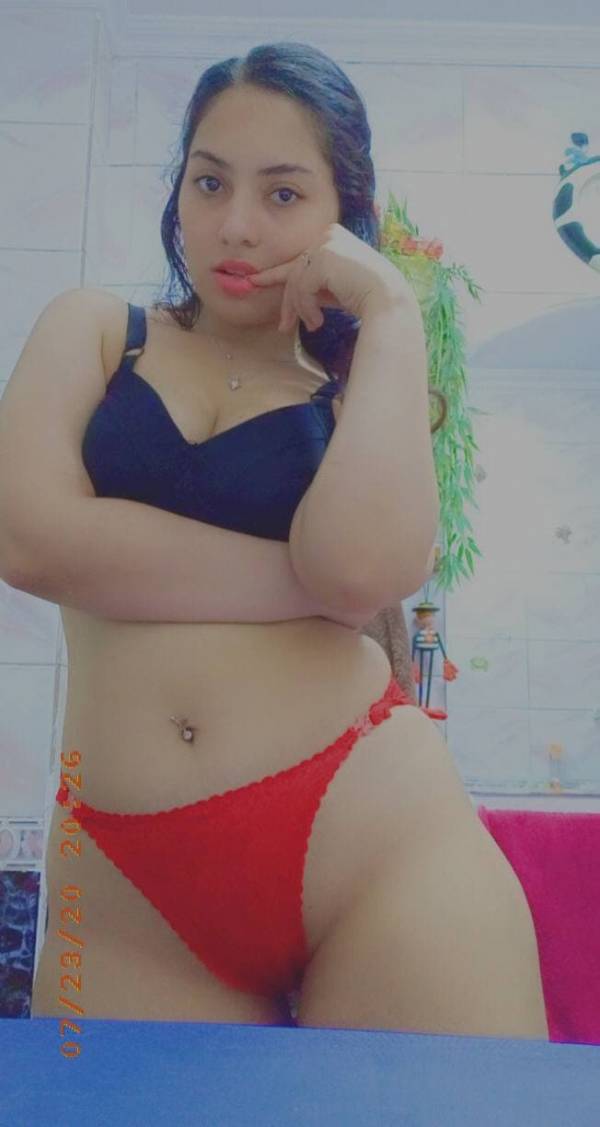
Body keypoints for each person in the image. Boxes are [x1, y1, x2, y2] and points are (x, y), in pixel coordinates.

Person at [2, 41, 548, 1037]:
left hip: (374, 838)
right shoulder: (97, 330)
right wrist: (297, 584)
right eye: (209, 181)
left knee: (461, 1107)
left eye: (284, 193)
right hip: (129, 878)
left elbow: (363, 570)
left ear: (344, 216)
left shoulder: (354, 392)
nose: (236, 225)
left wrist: (389, 308)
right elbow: (28, 538)